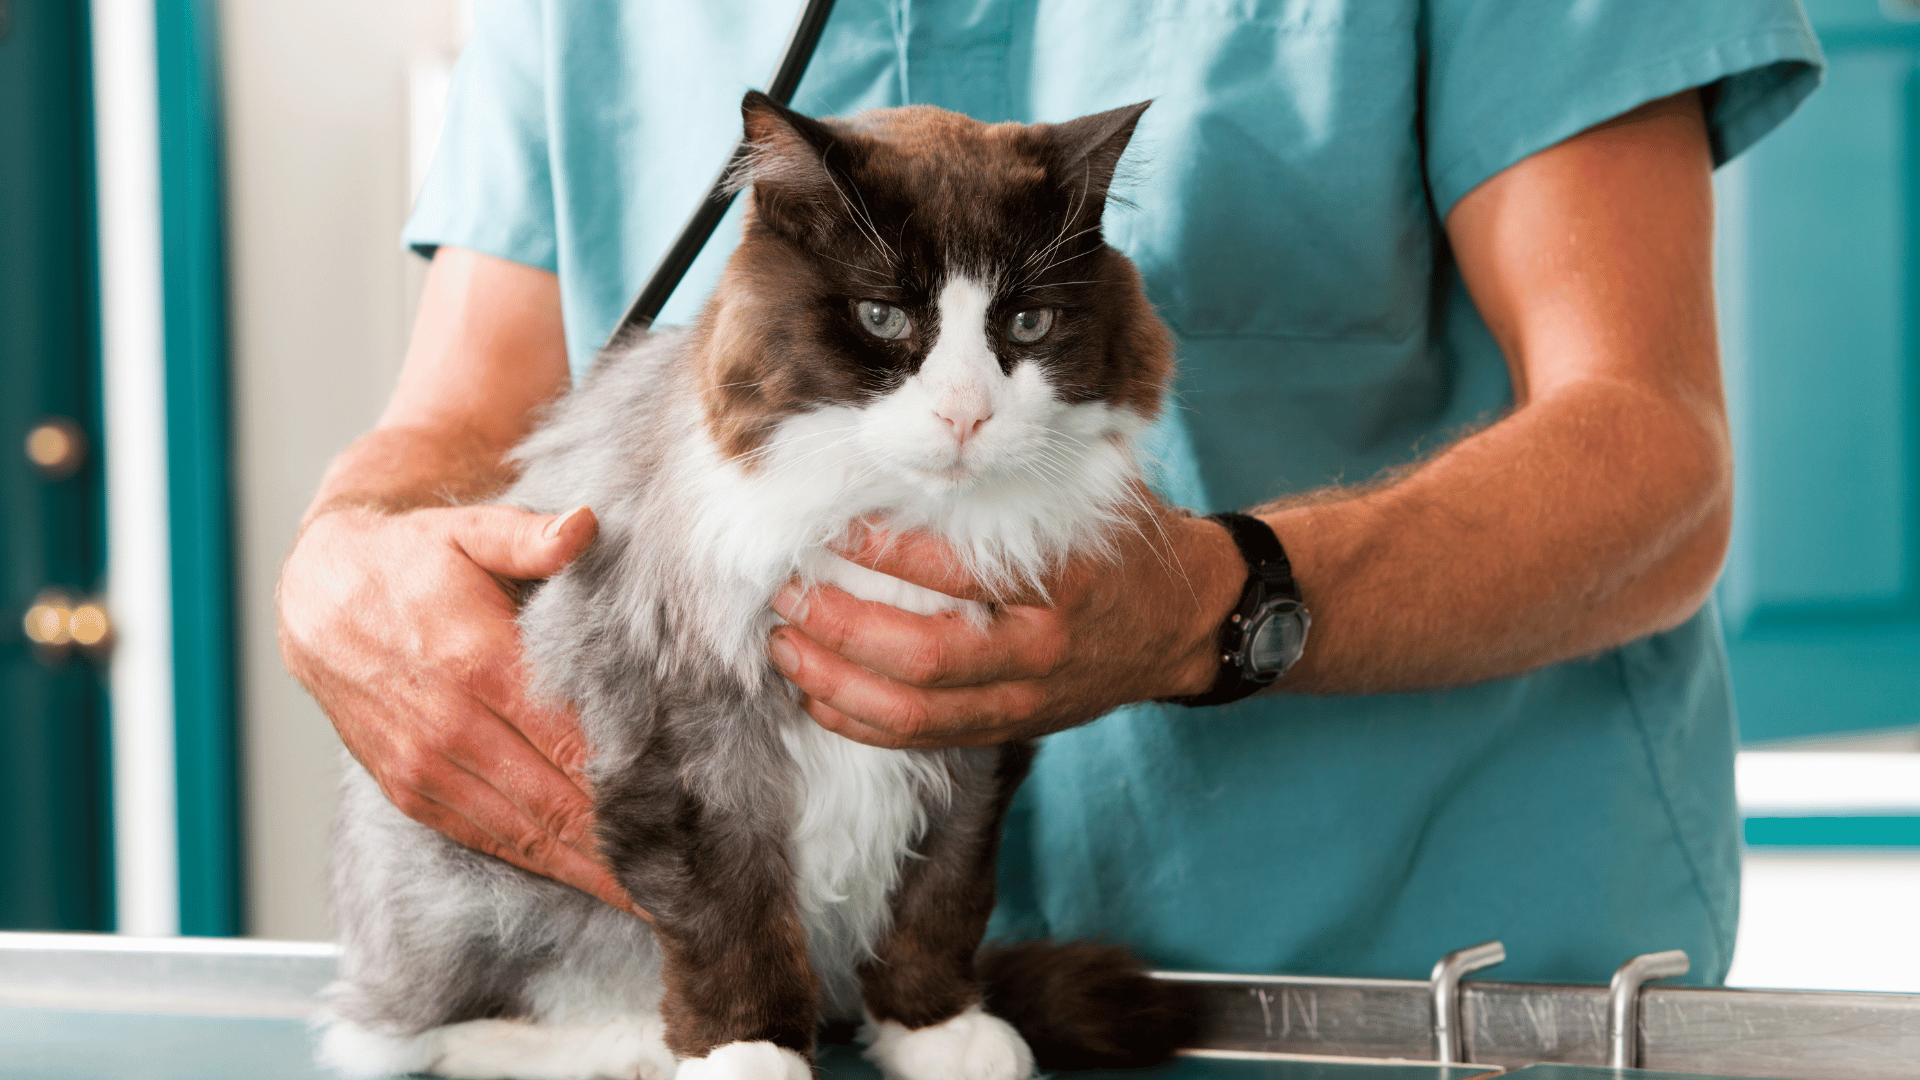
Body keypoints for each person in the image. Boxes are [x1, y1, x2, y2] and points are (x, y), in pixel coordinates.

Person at [279, 1, 1823, 983]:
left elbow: (1658, 462)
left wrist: (1212, 610)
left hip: (1419, 981)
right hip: (800, 1007)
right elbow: (462, 424)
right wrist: (343, 562)